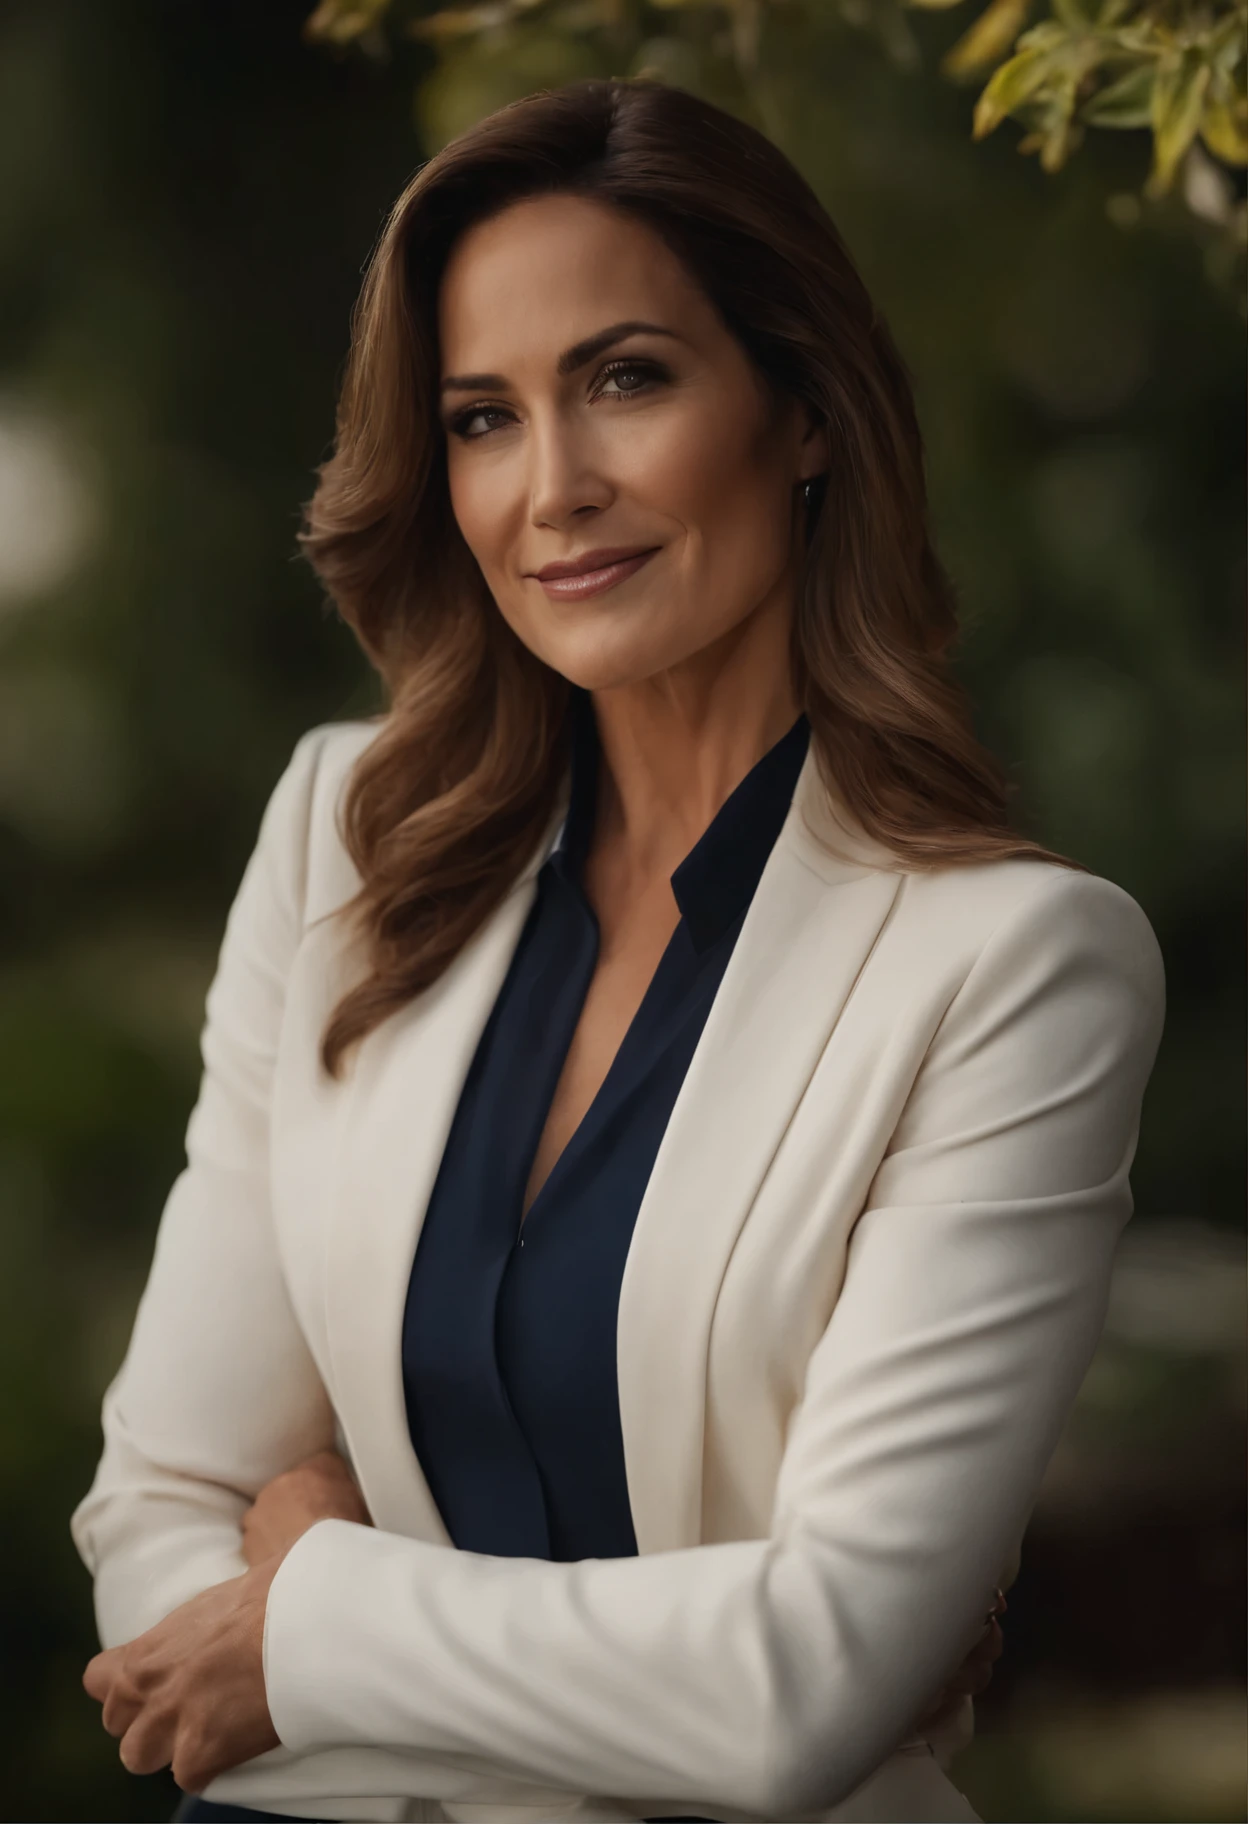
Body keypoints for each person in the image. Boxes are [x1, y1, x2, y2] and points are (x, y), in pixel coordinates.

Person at [72, 77, 1164, 1824]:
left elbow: (801, 1685)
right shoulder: (341, 844)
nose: (554, 488)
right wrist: (629, 1682)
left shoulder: (1016, 967)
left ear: (802, 408)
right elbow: (159, 1516)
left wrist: (318, 1613)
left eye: (627, 380)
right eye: (484, 418)